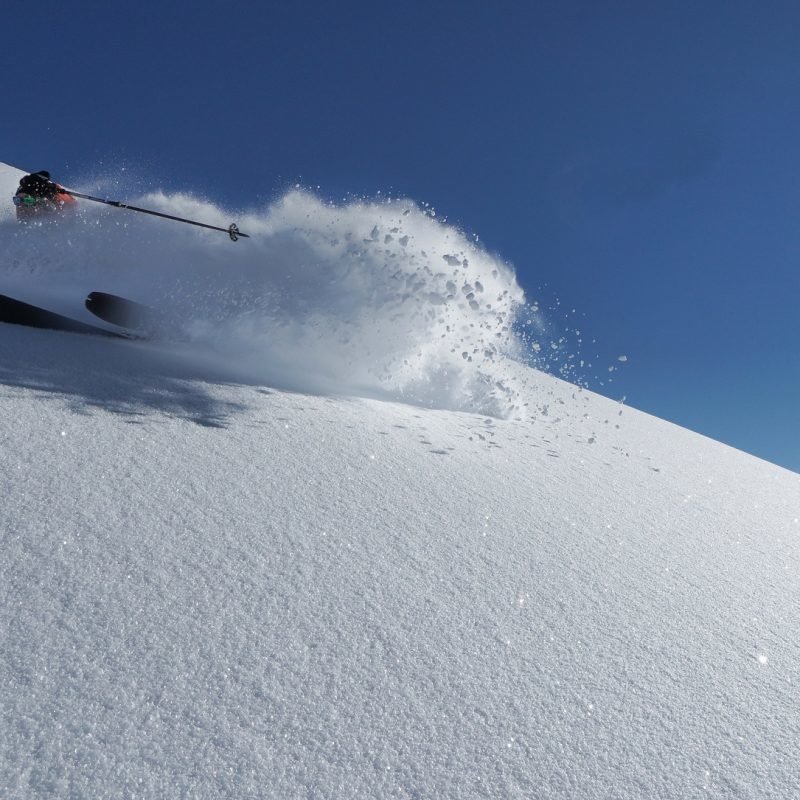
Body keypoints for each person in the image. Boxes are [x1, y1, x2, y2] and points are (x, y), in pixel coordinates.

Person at [13, 170, 77, 221]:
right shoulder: (35, 184)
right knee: (53, 208)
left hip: (32, 204)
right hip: (34, 203)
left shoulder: (26, 185)